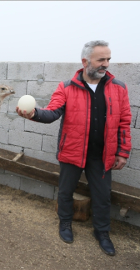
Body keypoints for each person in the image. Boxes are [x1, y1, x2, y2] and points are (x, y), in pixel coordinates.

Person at [16, 40, 132, 256]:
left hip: (102, 156)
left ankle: (102, 233)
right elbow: (52, 112)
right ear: (85, 61)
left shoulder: (119, 88)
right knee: (66, 191)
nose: (106, 64)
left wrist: (123, 152)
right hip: (72, 151)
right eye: (101, 60)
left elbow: (124, 122)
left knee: (103, 196)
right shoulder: (67, 87)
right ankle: (65, 223)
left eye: (108, 59)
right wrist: (33, 114)